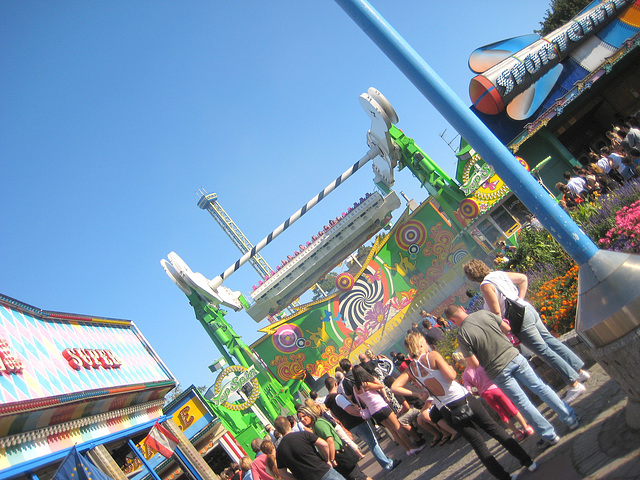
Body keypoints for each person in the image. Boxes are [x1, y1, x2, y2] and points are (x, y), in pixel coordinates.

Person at [391, 332, 534, 480]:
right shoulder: (432, 356)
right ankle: (527, 461)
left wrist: (419, 393)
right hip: (462, 399)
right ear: (420, 344)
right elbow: (451, 376)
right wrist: (452, 369)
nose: (426, 343)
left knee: (478, 444)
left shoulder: (412, 369)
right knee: (493, 429)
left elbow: (394, 387)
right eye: (424, 341)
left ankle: (504, 477)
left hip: (446, 409)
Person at [445, 304, 580, 451]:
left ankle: (549, 435)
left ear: (452, 321)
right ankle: (570, 418)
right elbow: (507, 328)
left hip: (497, 370)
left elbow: (474, 364)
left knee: (522, 402)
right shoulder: (484, 313)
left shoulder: (463, 335)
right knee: (541, 387)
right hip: (514, 357)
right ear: (463, 309)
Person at [463, 259, 590, 404]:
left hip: (519, 320)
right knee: (551, 342)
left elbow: (497, 312)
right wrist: (519, 300)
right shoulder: (498, 274)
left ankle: (573, 383)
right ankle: (578, 371)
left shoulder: (486, 285)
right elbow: (523, 278)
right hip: (527, 309)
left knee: (544, 351)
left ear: (471, 276)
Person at [324, 377, 401, 472]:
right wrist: (361, 415)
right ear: (335, 384)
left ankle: (387, 462)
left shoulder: (329, 400)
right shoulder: (337, 397)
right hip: (356, 422)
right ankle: (387, 464)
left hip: (349, 425)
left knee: (371, 443)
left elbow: (333, 415)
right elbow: (350, 410)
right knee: (373, 443)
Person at [452, 351, 533, 441]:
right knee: (512, 408)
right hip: (496, 388)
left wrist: (478, 392)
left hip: (486, 394)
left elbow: (469, 390)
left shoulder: (465, 375)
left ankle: (517, 433)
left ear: (460, 363)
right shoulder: (479, 365)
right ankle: (525, 427)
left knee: (502, 414)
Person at [351, 364, 419, 456]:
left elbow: (363, 402)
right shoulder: (365, 384)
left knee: (392, 431)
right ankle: (413, 447)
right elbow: (380, 385)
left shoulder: (355, 389)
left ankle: (408, 450)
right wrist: (372, 378)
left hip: (373, 412)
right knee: (398, 428)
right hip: (381, 406)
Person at [297, 406, 371, 480]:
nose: (302, 419)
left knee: (358, 477)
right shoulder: (315, 425)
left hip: (339, 455)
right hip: (339, 454)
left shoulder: (318, 425)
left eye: (304, 416)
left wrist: (331, 459)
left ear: (309, 414)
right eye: (300, 418)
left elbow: (330, 440)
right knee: (358, 477)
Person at [272, 415, 345, 480]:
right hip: (323, 471)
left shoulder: (279, 451)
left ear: (278, 431)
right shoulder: (303, 435)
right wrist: (328, 460)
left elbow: (282, 474)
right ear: (289, 424)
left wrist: (295, 478)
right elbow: (324, 444)